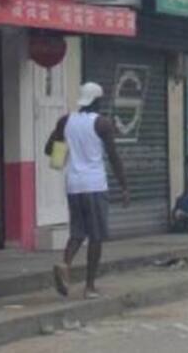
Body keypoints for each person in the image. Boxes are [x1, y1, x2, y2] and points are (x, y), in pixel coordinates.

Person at [53, 82, 129, 300]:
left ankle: (64, 263)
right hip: (94, 186)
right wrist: (124, 186)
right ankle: (89, 286)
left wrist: (65, 151)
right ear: (97, 101)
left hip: (73, 186)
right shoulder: (102, 123)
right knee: (96, 236)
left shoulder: (65, 121)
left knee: (77, 233)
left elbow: (53, 152)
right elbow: (113, 157)